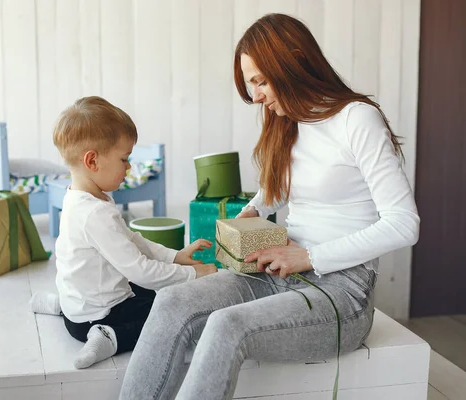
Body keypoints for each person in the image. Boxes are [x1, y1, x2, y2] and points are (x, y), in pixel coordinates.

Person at [119, 13, 419, 400]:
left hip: (343, 290)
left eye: (260, 80)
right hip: (279, 268)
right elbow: (282, 190)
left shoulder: (357, 120)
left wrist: (310, 256)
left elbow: (403, 224)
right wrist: (256, 209)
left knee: (227, 326)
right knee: (172, 300)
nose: (257, 95)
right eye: (251, 84)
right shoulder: (288, 121)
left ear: (295, 61)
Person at [29, 96, 217, 369]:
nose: (129, 167)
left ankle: (62, 306)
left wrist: (175, 257)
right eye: (124, 159)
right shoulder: (95, 213)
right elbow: (141, 271)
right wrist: (193, 274)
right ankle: (112, 337)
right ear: (92, 161)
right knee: (170, 313)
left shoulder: (82, 197)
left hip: (79, 311)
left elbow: (132, 240)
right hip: (97, 319)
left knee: (152, 288)